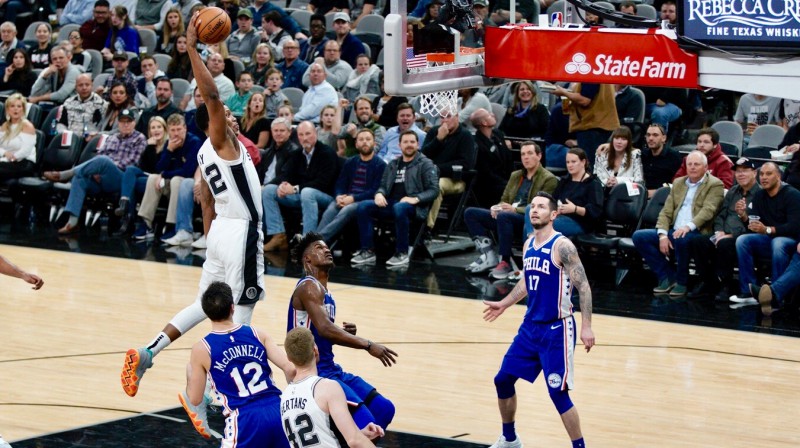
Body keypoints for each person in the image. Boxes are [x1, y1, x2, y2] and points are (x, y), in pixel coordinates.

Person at [121, 11, 266, 400]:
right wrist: (192, 46)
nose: (233, 118)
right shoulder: (222, 141)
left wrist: (211, 241)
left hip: (219, 232)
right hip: (240, 230)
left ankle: (150, 350)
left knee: (205, 305)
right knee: (242, 311)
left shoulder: (202, 154)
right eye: (227, 116)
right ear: (214, 121)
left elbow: (204, 200)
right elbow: (213, 96)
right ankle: (223, 394)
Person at [483, 191, 595, 448]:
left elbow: (584, 287)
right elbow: (525, 282)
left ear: (553, 214)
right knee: (502, 379)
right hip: (530, 328)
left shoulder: (562, 246)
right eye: (532, 206)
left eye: (541, 207)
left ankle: (580, 446)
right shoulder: (529, 243)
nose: (534, 210)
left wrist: (587, 327)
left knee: (558, 394)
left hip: (557, 329)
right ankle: (510, 439)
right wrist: (504, 303)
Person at [288, 232, 398, 430]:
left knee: (384, 409)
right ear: (308, 259)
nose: (326, 250)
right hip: (314, 373)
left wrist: (341, 330)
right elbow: (324, 329)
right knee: (365, 422)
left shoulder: (327, 293)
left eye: (326, 247)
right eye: (319, 248)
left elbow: (321, 330)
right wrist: (368, 345)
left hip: (331, 368)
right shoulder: (308, 287)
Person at [179, 281, 294, 444]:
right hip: (278, 410)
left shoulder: (202, 349)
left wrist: (189, 375)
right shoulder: (258, 334)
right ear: (233, 307)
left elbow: (196, 399)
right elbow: (290, 369)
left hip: (245, 419)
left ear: (206, 312)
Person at [632, 150, 724, 297]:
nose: (692, 167)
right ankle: (667, 276)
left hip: (697, 231)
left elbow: (709, 210)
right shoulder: (678, 183)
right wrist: (662, 235)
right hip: (673, 230)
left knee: (682, 238)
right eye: (690, 164)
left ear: (705, 168)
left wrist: (687, 227)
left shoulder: (715, 184)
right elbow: (666, 212)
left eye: (697, 164)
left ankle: (682, 282)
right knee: (639, 236)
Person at [44, 108, 146, 234]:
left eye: (128, 122)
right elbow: (99, 155)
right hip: (101, 178)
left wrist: (105, 167)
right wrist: (96, 171)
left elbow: (132, 162)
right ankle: (72, 222)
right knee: (80, 178)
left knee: (103, 161)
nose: (125, 124)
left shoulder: (140, 138)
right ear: (118, 123)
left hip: (121, 178)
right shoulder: (112, 138)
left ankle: (65, 174)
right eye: (122, 121)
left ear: (134, 123)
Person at [464, 142, 558, 277]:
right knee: (471, 213)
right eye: (523, 154)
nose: (526, 157)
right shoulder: (516, 175)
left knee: (504, 216)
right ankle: (488, 255)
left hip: (526, 220)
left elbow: (542, 207)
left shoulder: (549, 179)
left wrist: (514, 210)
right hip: (506, 216)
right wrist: (497, 207)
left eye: (530, 153)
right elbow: (505, 199)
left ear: (539, 156)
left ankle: (505, 262)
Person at [282, 327, 384, 447]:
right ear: (316, 350)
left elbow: (316, 439)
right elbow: (354, 440)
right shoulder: (327, 387)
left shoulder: (285, 396)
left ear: (289, 358)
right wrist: (357, 436)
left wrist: (361, 434)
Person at [351, 130, 439, 266]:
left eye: (412, 142)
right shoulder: (393, 164)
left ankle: (402, 253)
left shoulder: (425, 164)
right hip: (392, 203)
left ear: (418, 145)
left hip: (414, 206)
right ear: (399, 145)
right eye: (405, 142)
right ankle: (367, 251)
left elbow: (434, 190)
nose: (409, 145)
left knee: (400, 207)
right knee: (363, 206)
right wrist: (379, 194)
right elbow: (383, 186)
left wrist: (416, 199)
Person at [687, 157, 760, 301]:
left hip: (744, 237)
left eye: (745, 171)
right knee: (697, 241)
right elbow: (721, 215)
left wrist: (731, 235)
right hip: (723, 234)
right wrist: (719, 231)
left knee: (725, 244)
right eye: (738, 171)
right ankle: (706, 282)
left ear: (754, 173)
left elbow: (757, 223)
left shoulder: (761, 194)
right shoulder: (733, 191)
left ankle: (726, 285)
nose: (741, 174)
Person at [262, 121, 338, 250]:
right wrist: (283, 185)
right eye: (301, 135)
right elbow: (287, 174)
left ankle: (308, 242)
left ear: (316, 133)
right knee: (269, 190)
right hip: (301, 194)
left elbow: (323, 183)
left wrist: (295, 188)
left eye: (308, 134)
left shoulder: (327, 153)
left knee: (307, 192)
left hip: (325, 197)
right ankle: (278, 236)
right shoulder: (297, 154)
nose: (304, 138)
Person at [732, 162, 800, 302]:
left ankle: (774, 293)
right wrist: (743, 215)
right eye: (762, 174)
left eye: (769, 174)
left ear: (779, 176)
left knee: (778, 242)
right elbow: (754, 223)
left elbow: (794, 227)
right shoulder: (760, 195)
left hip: (790, 240)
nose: (764, 177)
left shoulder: (793, 195)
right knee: (743, 240)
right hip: (769, 238)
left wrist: (768, 229)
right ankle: (748, 291)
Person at [318, 128, 386, 244]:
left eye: (368, 139)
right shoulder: (350, 162)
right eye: (361, 139)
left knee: (347, 209)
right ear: (356, 144)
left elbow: (374, 190)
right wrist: (339, 195)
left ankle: (317, 241)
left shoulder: (381, 165)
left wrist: (353, 198)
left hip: (364, 201)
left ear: (374, 143)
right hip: (347, 197)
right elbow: (340, 183)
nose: (365, 142)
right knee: (331, 209)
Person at [523, 148, 603, 238]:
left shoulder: (593, 183)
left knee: (541, 225)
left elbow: (596, 211)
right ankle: (531, 241)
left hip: (580, 222)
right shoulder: (565, 180)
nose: (570, 165)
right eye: (567, 162)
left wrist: (575, 209)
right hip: (559, 216)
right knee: (530, 208)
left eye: (573, 162)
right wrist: (556, 208)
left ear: (583, 162)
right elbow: (553, 199)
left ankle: (533, 244)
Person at [421, 110, 476, 230]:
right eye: (442, 117)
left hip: (455, 180)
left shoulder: (465, 136)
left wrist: (437, 168)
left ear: (457, 117)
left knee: (437, 186)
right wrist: (438, 140)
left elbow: (466, 164)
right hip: (430, 175)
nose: (445, 120)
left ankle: (427, 227)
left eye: (449, 116)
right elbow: (423, 156)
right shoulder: (434, 132)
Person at [553, 82, 619, 163]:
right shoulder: (603, 76)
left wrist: (564, 93)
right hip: (600, 124)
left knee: (589, 164)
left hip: (592, 125)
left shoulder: (590, 76)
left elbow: (585, 100)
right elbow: (569, 108)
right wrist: (565, 94)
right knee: (595, 163)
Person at [57, 73, 107, 140]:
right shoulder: (68, 102)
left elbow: (101, 127)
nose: (84, 88)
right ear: (75, 87)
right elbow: (62, 123)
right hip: (69, 139)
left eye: (87, 85)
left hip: (89, 141)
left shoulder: (101, 104)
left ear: (92, 85)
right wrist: (64, 134)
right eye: (80, 85)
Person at [0, 94, 37, 182]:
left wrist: (10, 158)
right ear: (7, 109)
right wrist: (5, 153)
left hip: (23, 163)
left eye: (19, 106)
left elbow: (25, 151)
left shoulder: (27, 126)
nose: (16, 109)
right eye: (12, 106)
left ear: (23, 110)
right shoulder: (5, 126)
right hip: (6, 161)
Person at [640, 123, 682, 197]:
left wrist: (656, 192)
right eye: (648, 135)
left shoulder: (674, 157)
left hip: (665, 197)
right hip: (642, 196)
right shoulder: (642, 154)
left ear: (664, 138)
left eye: (655, 135)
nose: (650, 138)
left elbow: (679, 184)